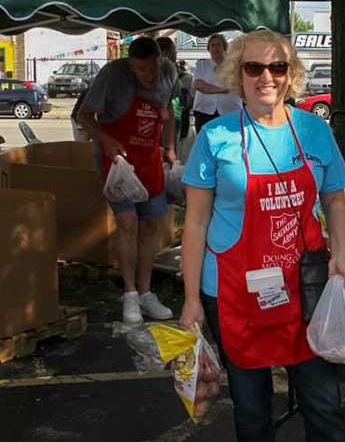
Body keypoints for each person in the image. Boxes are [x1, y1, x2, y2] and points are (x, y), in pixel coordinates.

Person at [179, 29, 345, 442]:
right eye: (253, 67)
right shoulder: (216, 137)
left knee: (323, 405)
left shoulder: (314, 131)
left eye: (277, 66)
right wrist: (189, 301)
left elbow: (337, 203)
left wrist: (341, 254)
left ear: (291, 75)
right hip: (233, 291)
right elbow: (196, 223)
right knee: (252, 410)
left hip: (304, 290)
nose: (266, 77)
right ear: (237, 75)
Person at [77, 37, 176, 324]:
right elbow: (83, 116)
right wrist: (105, 139)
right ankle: (130, 294)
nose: (146, 75)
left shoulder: (169, 72)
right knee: (128, 223)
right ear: (130, 65)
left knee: (149, 226)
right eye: (139, 70)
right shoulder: (112, 75)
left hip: (149, 159)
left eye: (149, 68)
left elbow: (169, 112)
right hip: (117, 161)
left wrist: (168, 146)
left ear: (159, 59)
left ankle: (146, 293)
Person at [192, 33, 242, 134]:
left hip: (230, 111)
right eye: (212, 45)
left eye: (218, 45)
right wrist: (223, 90)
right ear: (209, 48)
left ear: (224, 48)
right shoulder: (202, 64)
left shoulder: (234, 66)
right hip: (204, 111)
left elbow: (236, 84)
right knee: (204, 143)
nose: (215, 48)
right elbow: (199, 85)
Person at [156, 36, 184, 150]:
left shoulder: (171, 69)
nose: (176, 55)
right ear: (166, 52)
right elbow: (178, 99)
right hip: (167, 119)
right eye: (174, 51)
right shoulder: (168, 68)